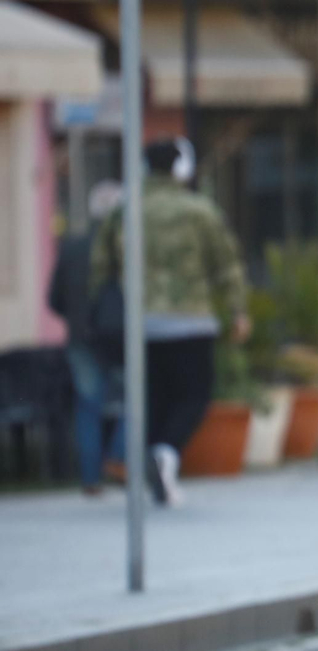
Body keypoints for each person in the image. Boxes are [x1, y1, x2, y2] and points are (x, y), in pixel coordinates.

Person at [90, 139, 251, 507]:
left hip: (139, 324)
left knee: (153, 399)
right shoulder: (199, 210)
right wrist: (238, 310)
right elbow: (227, 264)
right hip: (190, 321)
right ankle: (165, 455)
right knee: (193, 395)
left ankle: (160, 466)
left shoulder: (124, 209)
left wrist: (100, 313)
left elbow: (100, 266)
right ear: (182, 170)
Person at [48, 180, 123, 495]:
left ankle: (91, 478)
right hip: (120, 337)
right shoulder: (125, 244)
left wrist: (79, 319)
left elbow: (53, 299)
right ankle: (119, 458)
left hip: (81, 337)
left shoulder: (73, 245)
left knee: (88, 406)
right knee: (137, 400)